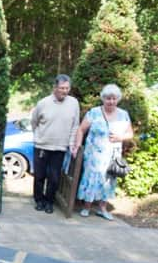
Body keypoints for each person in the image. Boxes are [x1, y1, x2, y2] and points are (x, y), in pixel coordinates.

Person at [73, 84, 133, 220]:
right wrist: (77, 145)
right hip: (93, 155)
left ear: (118, 99)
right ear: (103, 99)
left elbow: (130, 133)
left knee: (108, 180)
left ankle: (102, 208)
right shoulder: (94, 112)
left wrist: (120, 137)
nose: (111, 101)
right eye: (108, 98)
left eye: (114, 98)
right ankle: (86, 207)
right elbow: (81, 130)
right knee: (91, 178)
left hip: (112, 155)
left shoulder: (123, 114)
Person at [31, 74, 80, 214]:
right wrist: (38, 137)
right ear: (55, 87)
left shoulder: (74, 103)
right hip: (42, 145)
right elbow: (34, 122)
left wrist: (71, 144)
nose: (64, 91)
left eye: (67, 88)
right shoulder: (43, 103)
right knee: (40, 176)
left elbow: (75, 125)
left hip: (60, 147)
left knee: (54, 177)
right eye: (61, 88)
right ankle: (39, 200)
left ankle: (49, 202)